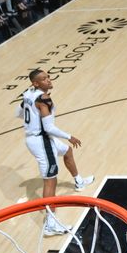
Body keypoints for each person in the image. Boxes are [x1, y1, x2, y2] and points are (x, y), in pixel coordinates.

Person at [18, 69, 94, 236]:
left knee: (67, 151)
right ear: (36, 83)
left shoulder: (28, 93)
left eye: (48, 77)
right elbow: (49, 127)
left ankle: (79, 181)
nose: (49, 80)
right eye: (44, 79)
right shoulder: (44, 99)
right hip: (42, 140)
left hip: (38, 138)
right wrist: (70, 136)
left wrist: (31, 119)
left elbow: (19, 112)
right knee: (50, 181)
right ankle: (50, 224)